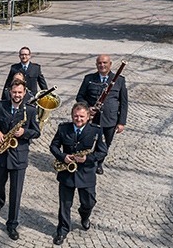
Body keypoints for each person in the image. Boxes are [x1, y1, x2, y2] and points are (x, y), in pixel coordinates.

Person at [0, 79, 41, 241]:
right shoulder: (0, 106)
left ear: (24, 93)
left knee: (16, 192)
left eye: (20, 92)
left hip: (19, 157)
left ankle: (12, 224)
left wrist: (24, 132)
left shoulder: (30, 110)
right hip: (0, 155)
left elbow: (36, 132)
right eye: (14, 92)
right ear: (9, 92)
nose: (17, 95)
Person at [50, 103, 108, 245]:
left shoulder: (96, 131)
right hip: (67, 172)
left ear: (88, 117)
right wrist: (63, 156)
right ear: (72, 116)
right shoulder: (63, 128)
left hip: (86, 173)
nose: (79, 119)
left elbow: (102, 151)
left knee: (89, 202)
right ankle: (62, 230)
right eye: (76, 116)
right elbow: (53, 146)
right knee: (65, 205)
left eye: (82, 116)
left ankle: (84, 215)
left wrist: (87, 159)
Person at [75, 54, 127, 175]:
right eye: (99, 63)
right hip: (92, 118)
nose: (102, 65)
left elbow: (124, 103)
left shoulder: (119, 80)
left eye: (104, 63)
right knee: (86, 141)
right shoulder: (89, 78)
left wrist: (121, 122)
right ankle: (84, 161)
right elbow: (80, 97)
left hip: (110, 119)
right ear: (96, 65)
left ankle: (98, 163)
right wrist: (88, 108)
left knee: (105, 144)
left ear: (110, 64)